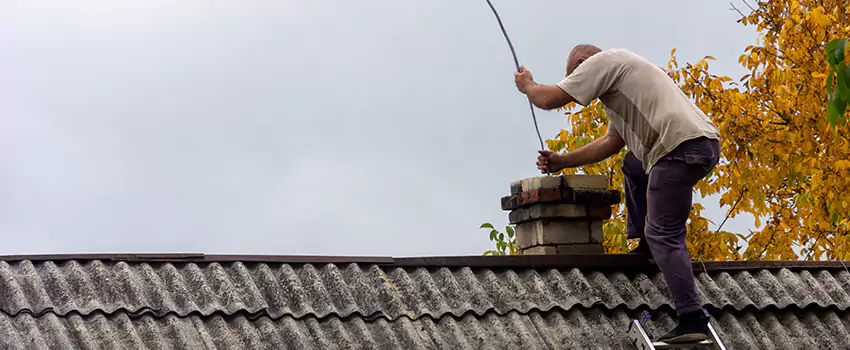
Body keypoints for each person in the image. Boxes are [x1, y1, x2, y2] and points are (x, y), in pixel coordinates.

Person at [513, 44, 721, 344]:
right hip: (696, 144)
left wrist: (528, 85)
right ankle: (648, 244)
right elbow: (611, 143)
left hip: (678, 149)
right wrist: (562, 161)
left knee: (665, 233)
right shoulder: (622, 83)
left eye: (576, 76)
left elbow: (549, 99)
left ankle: (691, 318)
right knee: (633, 164)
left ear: (583, 63)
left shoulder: (603, 61)